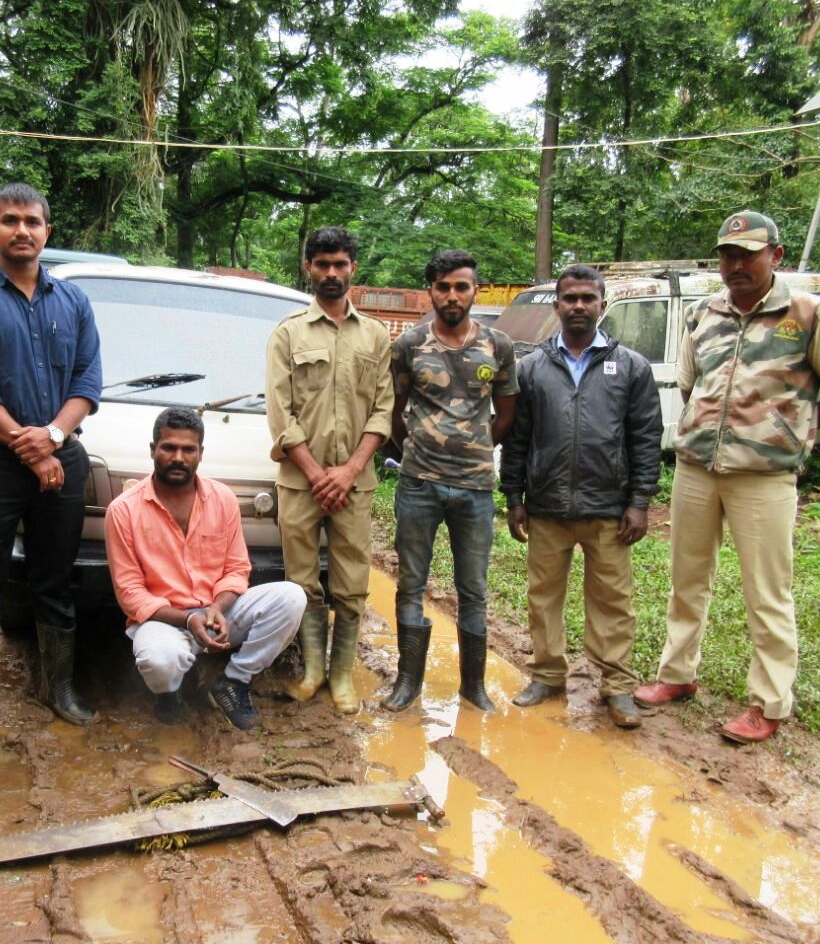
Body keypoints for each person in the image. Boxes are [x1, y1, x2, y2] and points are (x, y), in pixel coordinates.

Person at [634, 211, 820, 743]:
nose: (735, 264)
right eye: (728, 254)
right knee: (687, 581)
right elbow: (691, 388)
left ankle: (769, 703)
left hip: (763, 478)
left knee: (767, 593)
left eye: (748, 254)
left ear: (775, 256)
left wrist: (795, 432)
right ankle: (676, 676)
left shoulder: (810, 314)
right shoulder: (702, 314)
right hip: (697, 470)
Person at [0, 182, 102, 755]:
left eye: (33, 221)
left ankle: (59, 689)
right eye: (10, 220)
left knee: (55, 578)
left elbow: (86, 381)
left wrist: (54, 437)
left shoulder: (73, 302)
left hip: (60, 455)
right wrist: (32, 449)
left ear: (47, 231)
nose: (22, 230)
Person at [500, 264, 663, 729]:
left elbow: (645, 439)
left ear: (601, 304)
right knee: (543, 597)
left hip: (608, 509)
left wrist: (639, 502)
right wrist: (514, 495)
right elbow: (517, 438)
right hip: (547, 506)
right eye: (569, 298)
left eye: (587, 298)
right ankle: (548, 675)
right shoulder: (532, 369)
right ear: (557, 304)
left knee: (613, 600)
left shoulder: (630, 366)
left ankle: (617, 687)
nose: (578, 306)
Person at [106, 408, 307, 729]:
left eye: (188, 449)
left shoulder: (222, 498)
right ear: (152, 450)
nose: (178, 457)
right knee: (159, 659)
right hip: (165, 619)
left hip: (219, 613)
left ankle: (234, 681)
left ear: (200, 453)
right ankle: (169, 693)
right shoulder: (123, 511)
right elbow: (130, 594)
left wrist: (216, 608)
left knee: (292, 597)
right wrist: (188, 618)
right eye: (169, 447)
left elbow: (237, 568)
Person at [265, 226, 394, 714]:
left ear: (353, 269)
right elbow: (280, 413)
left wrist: (350, 470)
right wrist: (318, 473)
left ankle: (342, 676)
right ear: (309, 268)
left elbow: (383, 410)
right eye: (323, 264)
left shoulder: (376, 335)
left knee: (351, 584)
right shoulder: (288, 333)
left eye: (340, 264)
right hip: (301, 483)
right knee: (302, 583)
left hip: (355, 485)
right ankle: (312, 670)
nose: (332, 273)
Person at [383, 250, 518, 713]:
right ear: (431, 292)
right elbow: (396, 411)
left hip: (475, 489)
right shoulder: (409, 345)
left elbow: (506, 415)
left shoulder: (498, 346)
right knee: (411, 583)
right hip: (419, 484)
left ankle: (473, 686)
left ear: (475, 290)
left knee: (473, 588)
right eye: (443, 287)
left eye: (461, 286)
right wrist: (416, 451)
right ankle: (407, 683)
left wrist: (475, 450)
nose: (452, 295)